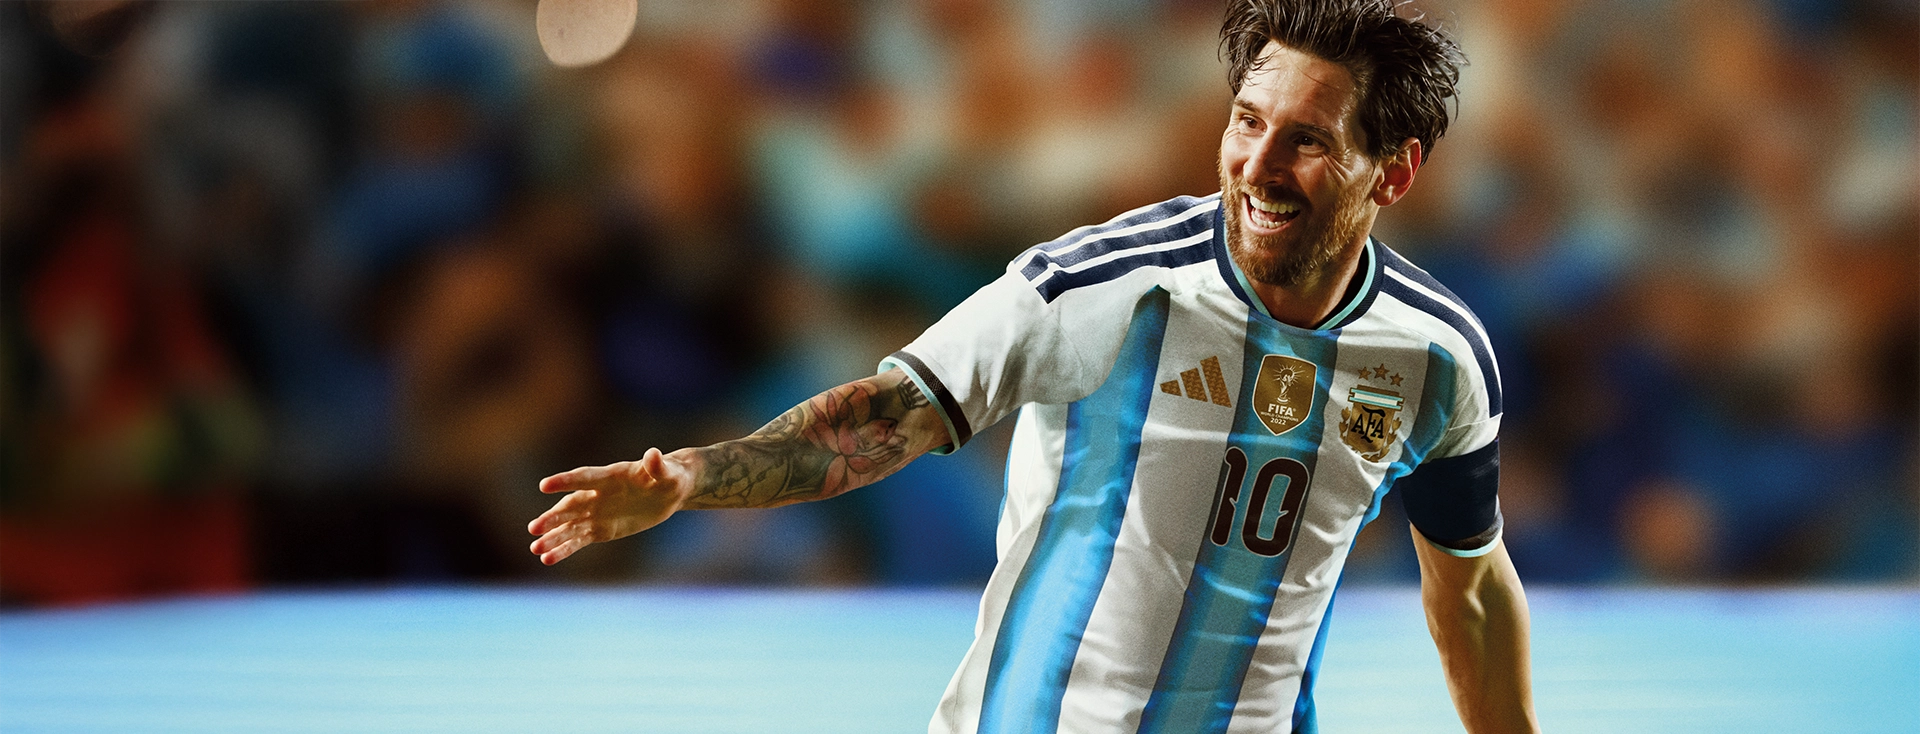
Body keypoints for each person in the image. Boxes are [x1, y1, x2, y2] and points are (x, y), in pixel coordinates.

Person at [527, 0, 1539, 731]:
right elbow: (888, 413)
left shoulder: (1436, 359)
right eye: (1246, 119)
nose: (1258, 163)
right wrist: (694, 477)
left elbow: (1473, 588)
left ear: (1393, 169)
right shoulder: (1103, 288)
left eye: (1308, 138)